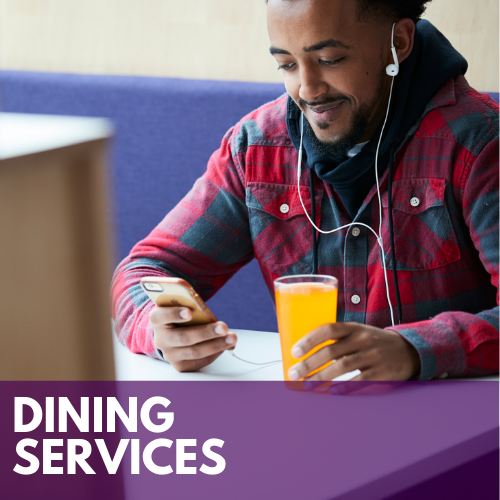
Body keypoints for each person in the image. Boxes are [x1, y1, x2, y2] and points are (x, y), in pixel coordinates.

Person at [112, 0, 499, 381]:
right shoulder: (257, 148)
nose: (307, 89)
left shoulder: (480, 143)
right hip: (307, 417)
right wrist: (161, 326)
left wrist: (413, 350)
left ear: (397, 41)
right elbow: (143, 271)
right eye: (286, 64)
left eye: (329, 59)